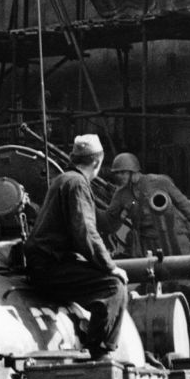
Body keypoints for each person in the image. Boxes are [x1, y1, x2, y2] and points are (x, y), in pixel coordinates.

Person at [23, 134, 128, 360]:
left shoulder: (64, 180)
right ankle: (99, 354)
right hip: (52, 268)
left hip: (44, 264)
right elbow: (85, 232)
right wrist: (110, 267)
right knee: (113, 288)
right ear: (97, 162)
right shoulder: (78, 184)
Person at [99, 152, 190, 258]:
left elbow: (183, 203)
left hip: (174, 236)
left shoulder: (159, 182)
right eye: (117, 173)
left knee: (183, 270)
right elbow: (109, 219)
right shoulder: (121, 195)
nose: (119, 176)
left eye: (123, 172)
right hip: (149, 242)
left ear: (133, 171)